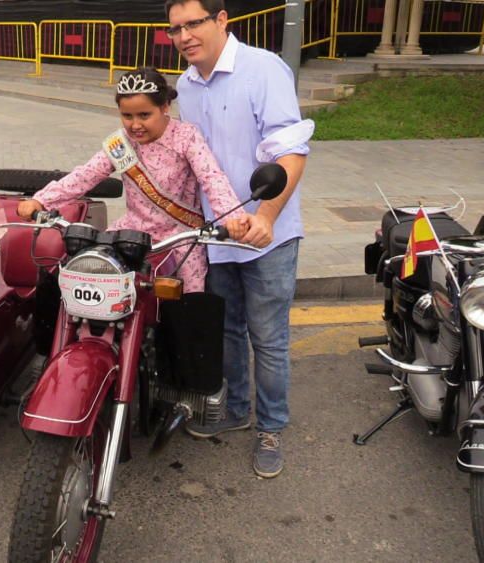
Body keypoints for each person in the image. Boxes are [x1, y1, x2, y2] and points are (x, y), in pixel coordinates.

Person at [167, 0, 313, 478]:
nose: (185, 36)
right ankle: (237, 409)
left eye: (194, 24)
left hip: (268, 235)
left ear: (221, 20)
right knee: (226, 330)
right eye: (175, 29)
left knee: (268, 338)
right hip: (217, 234)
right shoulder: (186, 86)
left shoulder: (263, 70)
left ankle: (270, 426)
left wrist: (267, 215)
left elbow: (291, 151)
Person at [17, 68, 250, 294]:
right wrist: (42, 200)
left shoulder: (186, 137)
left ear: (165, 107)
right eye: (127, 116)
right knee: (89, 280)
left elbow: (212, 178)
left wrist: (232, 219)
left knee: (186, 308)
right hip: (130, 235)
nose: (135, 125)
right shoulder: (121, 144)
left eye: (144, 115)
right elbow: (86, 175)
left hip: (179, 239)